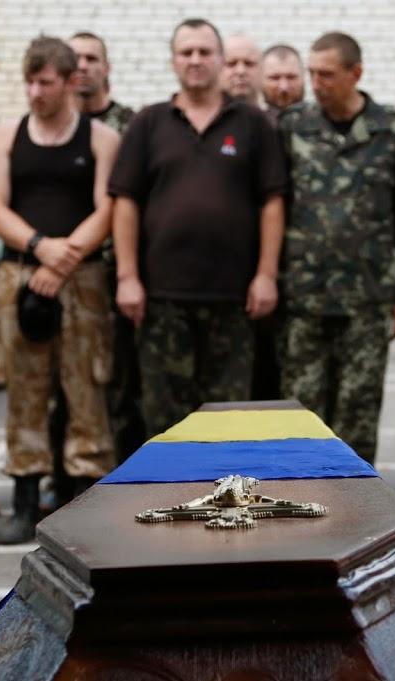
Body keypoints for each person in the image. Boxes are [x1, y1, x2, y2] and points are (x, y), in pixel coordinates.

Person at [110, 18, 286, 436]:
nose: (195, 60)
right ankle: (171, 503)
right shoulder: (148, 123)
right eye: (186, 52)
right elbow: (125, 203)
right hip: (162, 301)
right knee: (165, 423)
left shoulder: (253, 124)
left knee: (228, 422)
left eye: (205, 52)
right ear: (173, 61)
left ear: (221, 60)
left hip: (234, 301)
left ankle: (223, 504)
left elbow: (272, 203)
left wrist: (265, 275)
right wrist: (127, 277)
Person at [0, 36, 120, 544]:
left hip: (81, 277)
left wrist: (65, 258)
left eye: (45, 82)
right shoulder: (4, 136)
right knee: (24, 387)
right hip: (21, 274)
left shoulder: (101, 138)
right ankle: (23, 499)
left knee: (86, 386)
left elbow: (108, 208)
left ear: (69, 82)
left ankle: (85, 495)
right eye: (30, 82)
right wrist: (40, 247)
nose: (35, 92)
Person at [279, 31, 395, 465]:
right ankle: (302, 509)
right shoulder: (292, 126)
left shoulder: (388, 127)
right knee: (301, 416)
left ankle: (359, 517)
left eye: (327, 74)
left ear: (355, 73)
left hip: (367, 296)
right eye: (312, 73)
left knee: (358, 414)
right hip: (305, 295)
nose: (316, 83)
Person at [67, 31, 144, 466]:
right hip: (66, 269)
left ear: (107, 67)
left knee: (121, 382)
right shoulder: (51, 125)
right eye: (75, 58)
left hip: (116, 270)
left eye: (92, 58)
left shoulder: (132, 126)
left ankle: (124, 469)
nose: (83, 66)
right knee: (72, 382)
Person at [261, 44, 305, 117]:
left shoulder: (323, 122)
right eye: (275, 78)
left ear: (303, 77)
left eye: (291, 77)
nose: (284, 87)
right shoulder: (247, 123)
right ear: (260, 79)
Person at [221, 32, 264, 107]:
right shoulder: (201, 117)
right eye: (231, 64)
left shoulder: (274, 118)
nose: (241, 71)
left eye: (249, 63)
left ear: (262, 69)